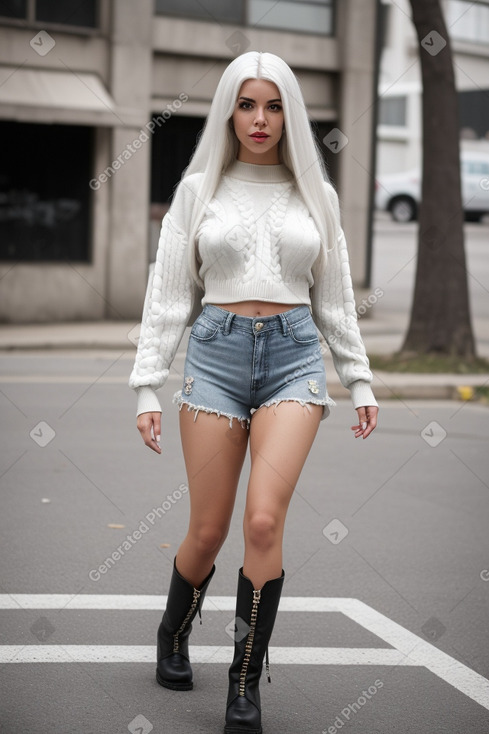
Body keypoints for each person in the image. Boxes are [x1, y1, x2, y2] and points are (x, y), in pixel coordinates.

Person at [128, 51, 379, 734]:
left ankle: (244, 684)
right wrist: (147, 385)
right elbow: (168, 295)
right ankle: (173, 632)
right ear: (228, 110)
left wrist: (356, 374)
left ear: (289, 111)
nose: (259, 119)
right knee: (207, 532)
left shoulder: (317, 197)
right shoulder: (198, 190)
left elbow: (333, 298)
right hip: (213, 359)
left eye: (272, 105)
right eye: (246, 104)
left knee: (263, 522)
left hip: (294, 358)